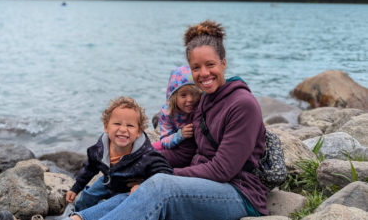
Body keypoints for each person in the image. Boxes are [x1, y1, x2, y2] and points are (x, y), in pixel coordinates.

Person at [67, 20, 268, 220]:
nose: (204, 73)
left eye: (210, 65)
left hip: (239, 193)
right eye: (196, 67)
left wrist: (166, 175)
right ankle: (78, 218)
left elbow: (223, 169)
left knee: (159, 186)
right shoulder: (204, 101)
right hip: (202, 182)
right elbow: (187, 152)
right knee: (134, 185)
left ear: (223, 63)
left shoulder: (242, 105)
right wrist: (143, 163)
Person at [66, 97, 173, 219]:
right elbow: (89, 168)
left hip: (128, 189)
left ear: (139, 131)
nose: (123, 129)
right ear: (106, 127)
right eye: (117, 123)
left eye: (130, 125)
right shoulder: (101, 148)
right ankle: (75, 215)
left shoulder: (145, 154)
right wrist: (75, 188)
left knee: (113, 206)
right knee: (86, 196)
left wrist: (144, 185)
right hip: (108, 181)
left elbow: (165, 173)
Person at [152, 65, 202, 151]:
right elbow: (164, 141)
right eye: (183, 95)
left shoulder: (202, 106)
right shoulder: (167, 112)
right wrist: (179, 135)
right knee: (148, 151)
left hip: (194, 148)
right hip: (176, 145)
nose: (190, 99)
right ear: (174, 97)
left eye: (194, 93)